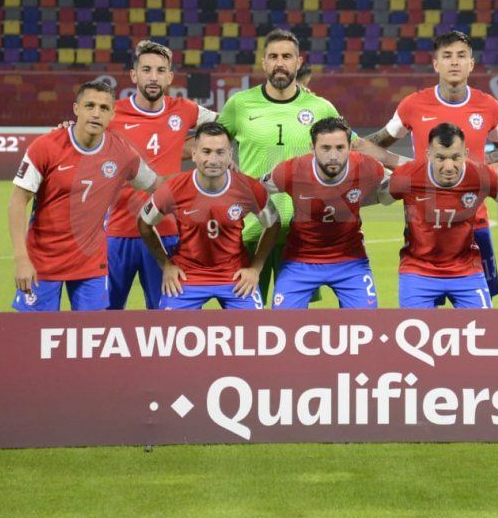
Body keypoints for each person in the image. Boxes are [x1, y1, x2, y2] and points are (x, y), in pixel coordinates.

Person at [364, 30, 498, 298]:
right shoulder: (413, 104)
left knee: (481, 309)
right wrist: (346, 143)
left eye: (461, 56)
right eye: (447, 56)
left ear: (471, 63)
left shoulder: (489, 106)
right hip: (421, 223)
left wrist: (482, 164)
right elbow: (375, 144)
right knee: (423, 306)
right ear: (436, 64)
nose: (454, 62)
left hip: (474, 222)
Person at [217, 28, 345, 300]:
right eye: (273, 56)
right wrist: (225, 160)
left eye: (287, 56)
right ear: (263, 63)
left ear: (298, 63)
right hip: (250, 229)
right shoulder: (239, 104)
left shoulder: (321, 107)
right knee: (246, 321)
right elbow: (210, 144)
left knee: (295, 323)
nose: (279, 63)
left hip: (301, 234)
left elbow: (351, 148)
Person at [9, 81, 159, 311]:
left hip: (90, 264)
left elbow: (156, 185)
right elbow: (18, 202)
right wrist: (21, 259)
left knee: (91, 338)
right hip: (42, 262)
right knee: (34, 337)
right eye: (90, 106)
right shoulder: (45, 147)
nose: (96, 113)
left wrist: (202, 179)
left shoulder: (121, 153)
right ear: (76, 109)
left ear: (112, 114)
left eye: (104, 108)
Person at [106, 40, 217, 310]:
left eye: (160, 70)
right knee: (103, 315)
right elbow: (80, 135)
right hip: (117, 231)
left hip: (166, 230)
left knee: (166, 315)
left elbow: (229, 122)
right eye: (146, 69)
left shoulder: (185, 110)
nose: (153, 77)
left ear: (170, 77)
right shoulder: (111, 112)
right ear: (134, 75)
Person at [137, 122, 278, 310]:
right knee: (169, 334)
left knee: (254, 334)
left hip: (235, 277)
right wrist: (166, 265)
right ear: (194, 154)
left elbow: (273, 224)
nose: (213, 160)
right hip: (187, 277)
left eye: (220, 152)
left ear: (230, 155)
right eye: (206, 151)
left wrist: (255, 269)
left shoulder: (250, 189)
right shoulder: (173, 188)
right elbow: (144, 223)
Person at [262, 117, 387, 309]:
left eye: (340, 147)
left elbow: (399, 187)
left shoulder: (367, 167)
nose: (333, 156)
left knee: (366, 326)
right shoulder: (291, 171)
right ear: (312, 147)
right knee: (282, 326)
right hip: (299, 262)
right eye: (325, 148)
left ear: (350, 146)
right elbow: (253, 190)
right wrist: (271, 218)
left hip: (351, 263)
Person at [380, 123, 498, 309]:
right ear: (428, 154)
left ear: (466, 154)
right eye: (440, 158)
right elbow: (382, 197)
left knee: (483, 332)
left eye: (455, 157)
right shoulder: (409, 174)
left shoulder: (481, 175)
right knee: (415, 334)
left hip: (466, 270)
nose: (448, 166)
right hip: (417, 269)